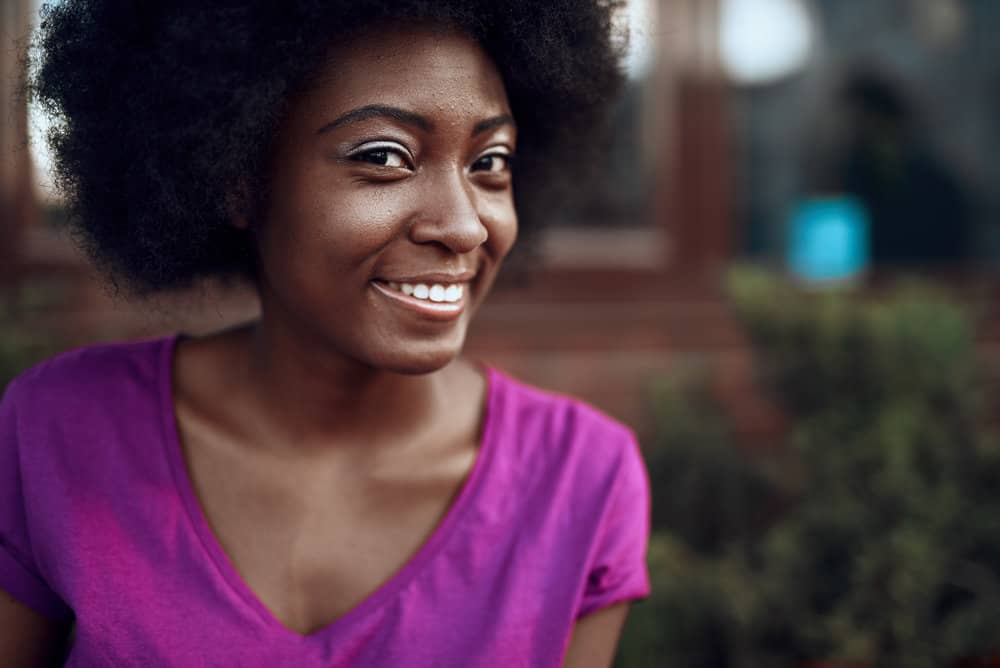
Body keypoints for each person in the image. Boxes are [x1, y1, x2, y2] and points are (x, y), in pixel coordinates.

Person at [1, 1, 651, 666]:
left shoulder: (579, 483)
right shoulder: (58, 433)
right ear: (239, 180)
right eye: (384, 155)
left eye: (489, 162)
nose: (463, 226)